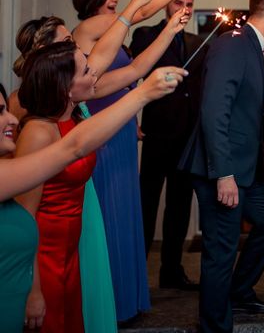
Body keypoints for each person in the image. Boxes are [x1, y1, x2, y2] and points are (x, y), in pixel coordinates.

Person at [72, 0, 211, 322]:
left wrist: (170, 25)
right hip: (101, 124)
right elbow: (140, 14)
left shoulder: (111, 26)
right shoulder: (91, 26)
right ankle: (105, 303)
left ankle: (121, 298)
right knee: (110, 211)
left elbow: (135, 68)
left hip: (120, 123)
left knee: (125, 209)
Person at [0, 68, 184, 333]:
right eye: (0, 112)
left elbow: (75, 145)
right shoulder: (13, 167)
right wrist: (142, 94)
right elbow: (73, 147)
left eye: (7, 110)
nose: (14, 121)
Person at [179, 0, 264, 333]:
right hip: (222, 169)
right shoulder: (232, 45)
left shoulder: (257, 49)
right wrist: (224, 174)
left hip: (245, 171)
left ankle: (240, 290)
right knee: (220, 251)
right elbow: (215, 111)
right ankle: (215, 326)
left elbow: (258, 117)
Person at [130, 0, 205, 289]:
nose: (183, 9)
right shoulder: (145, 36)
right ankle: (137, 271)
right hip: (156, 132)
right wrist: (130, 119)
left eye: (189, 4)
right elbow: (129, 78)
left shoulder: (198, 42)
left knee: (180, 206)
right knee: (146, 203)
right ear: (165, 6)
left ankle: (171, 271)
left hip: (187, 138)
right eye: (178, 2)